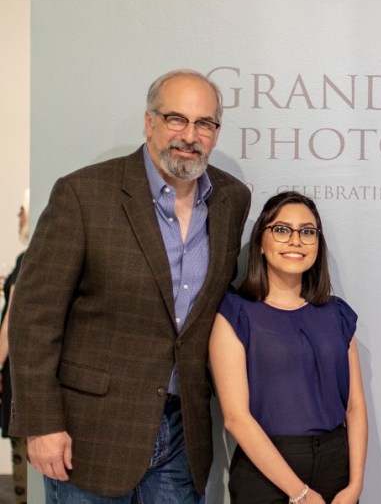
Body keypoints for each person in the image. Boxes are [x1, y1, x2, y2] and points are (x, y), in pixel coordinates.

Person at [8, 69, 251, 501]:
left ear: (216, 131)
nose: (189, 135)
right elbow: (33, 317)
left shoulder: (231, 199)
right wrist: (41, 423)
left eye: (204, 124)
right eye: (176, 119)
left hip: (183, 432)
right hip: (89, 432)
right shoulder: (84, 194)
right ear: (149, 121)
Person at [209, 191, 367, 504]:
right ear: (260, 243)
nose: (296, 240)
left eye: (307, 232)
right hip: (265, 473)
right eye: (282, 230)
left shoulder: (337, 314)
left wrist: (355, 485)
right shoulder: (235, 313)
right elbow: (235, 417)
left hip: (337, 468)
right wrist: (301, 493)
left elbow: (355, 407)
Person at [0, 189, 29, 504]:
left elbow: (12, 322)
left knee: (20, 456)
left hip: (17, 374)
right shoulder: (28, 259)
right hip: (19, 372)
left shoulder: (28, 258)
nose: (18, 216)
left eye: (21, 210)